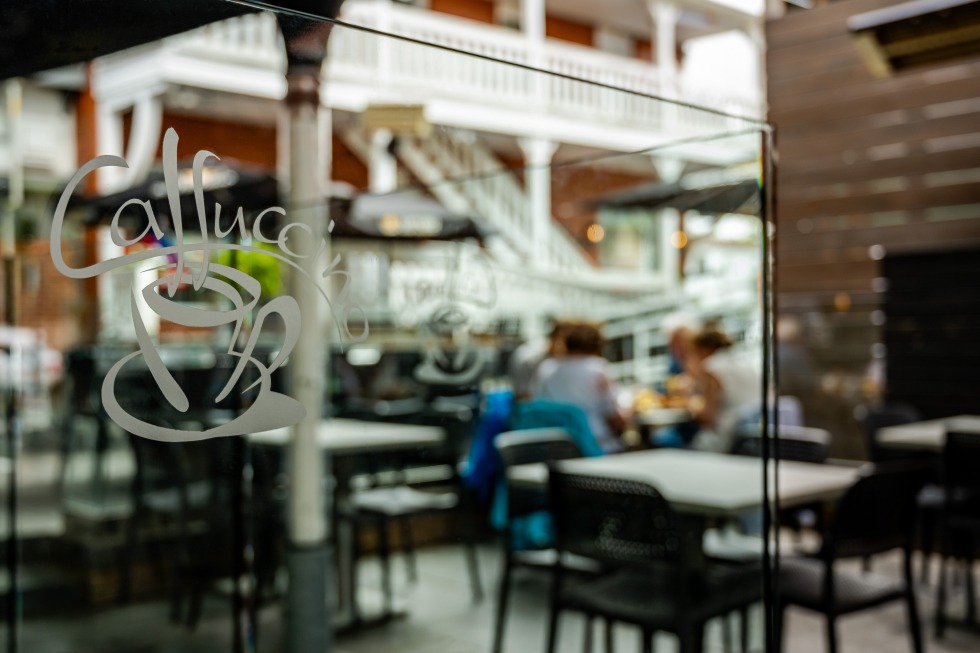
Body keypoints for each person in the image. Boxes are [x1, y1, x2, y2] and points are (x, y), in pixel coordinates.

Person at [531, 321, 628, 453]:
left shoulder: (546, 368)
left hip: (556, 446)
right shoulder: (598, 368)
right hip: (596, 446)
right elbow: (614, 418)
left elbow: (536, 404)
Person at [688, 327, 761, 453]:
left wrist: (687, 402)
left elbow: (707, 418)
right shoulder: (746, 363)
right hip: (752, 438)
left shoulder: (711, 367)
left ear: (704, 349)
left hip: (728, 439)